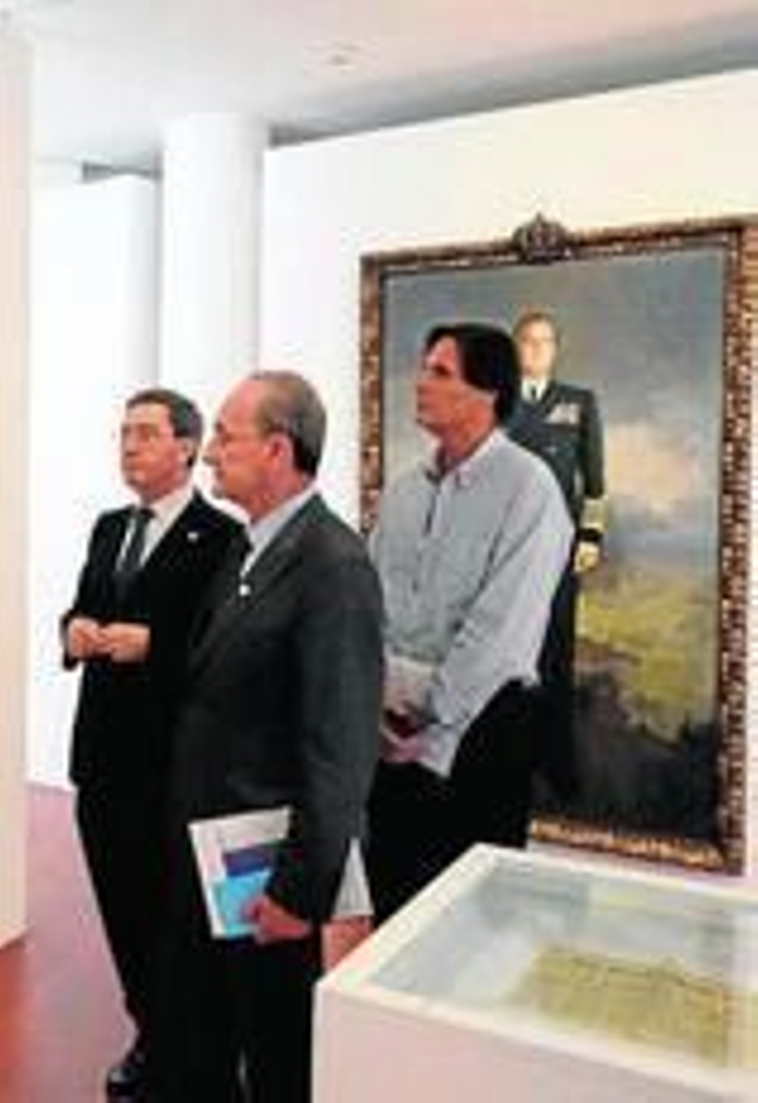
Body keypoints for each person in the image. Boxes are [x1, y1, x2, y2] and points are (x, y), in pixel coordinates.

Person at [150, 372, 383, 1102]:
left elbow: (340, 750)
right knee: (200, 1042)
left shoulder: (334, 566)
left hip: (267, 878)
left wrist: (297, 892)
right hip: (211, 857)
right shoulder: (247, 548)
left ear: (278, 450)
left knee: (277, 1056)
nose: (209, 453)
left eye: (225, 436)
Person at [61, 387, 237, 1100]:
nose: (129, 446)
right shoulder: (109, 528)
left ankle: (183, 1050)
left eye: (145, 433)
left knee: (172, 918)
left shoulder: (221, 536)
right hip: (101, 760)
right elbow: (84, 604)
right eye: (123, 433)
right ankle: (149, 1031)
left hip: (171, 766)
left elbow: (226, 649)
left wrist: (155, 645)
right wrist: (73, 630)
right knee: (122, 911)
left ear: (187, 447)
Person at [367, 323, 572, 921]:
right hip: (387, 740)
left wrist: (428, 721)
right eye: (424, 368)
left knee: (465, 930)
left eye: (440, 372)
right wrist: (374, 706)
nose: (420, 383)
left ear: (488, 392)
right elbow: (368, 605)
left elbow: (500, 632)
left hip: (482, 741)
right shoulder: (404, 491)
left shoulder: (530, 489)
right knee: (386, 921)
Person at [505, 310, 606, 798]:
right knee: (510, 656)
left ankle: (557, 764)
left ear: (556, 349)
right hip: (508, 551)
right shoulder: (497, 403)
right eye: (528, 341)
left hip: (559, 549)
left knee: (556, 655)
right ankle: (513, 763)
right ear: (516, 348)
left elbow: (596, 482)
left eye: (545, 341)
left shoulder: (578, 403)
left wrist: (590, 539)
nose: (537, 349)